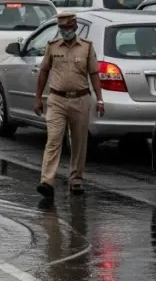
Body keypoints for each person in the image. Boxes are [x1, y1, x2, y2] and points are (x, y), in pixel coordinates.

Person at [34, 11, 104, 198]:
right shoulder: (53, 46)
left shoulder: (87, 47)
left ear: (75, 28)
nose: (65, 31)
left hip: (80, 100)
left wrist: (100, 99)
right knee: (54, 140)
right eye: (62, 28)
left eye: (68, 28)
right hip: (57, 100)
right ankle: (47, 181)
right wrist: (38, 98)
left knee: (79, 142)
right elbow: (43, 72)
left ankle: (76, 180)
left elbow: (94, 74)